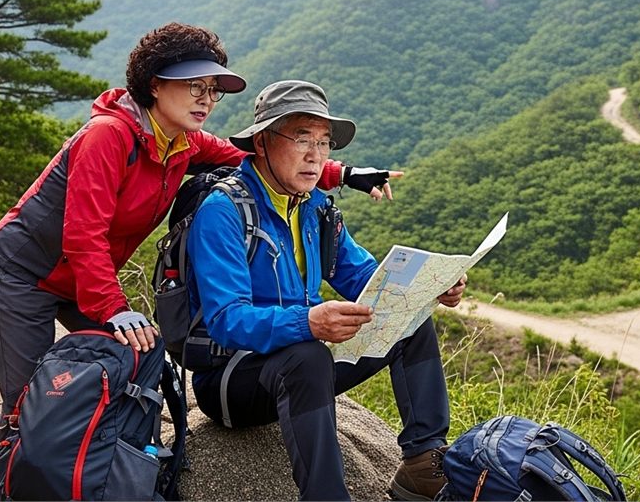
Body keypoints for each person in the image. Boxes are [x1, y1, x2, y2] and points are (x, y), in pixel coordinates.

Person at [0, 23, 399, 438]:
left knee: (135, 358)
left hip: (82, 278)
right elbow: (83, 235)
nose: (207, 99)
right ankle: (14, 471)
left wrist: (342, 173)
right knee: (26, 400)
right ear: (155, 84)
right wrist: (114, 308)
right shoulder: (107, 137)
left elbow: (259, 156)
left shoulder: (183, 141)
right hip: (25, 275)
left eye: (213, 89)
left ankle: (107, 460)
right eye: (194, 85)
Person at [186, 80, 466, 501]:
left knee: (409, 318)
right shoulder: (224, 211)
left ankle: (422, 462)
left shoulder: (315, 207)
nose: (315, 156)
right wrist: (309, 321)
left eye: (324, 142)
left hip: (299, 365)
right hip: (230, 380)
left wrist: (429, 287)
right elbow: (226, 321)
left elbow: (368, 281)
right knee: (307, 355)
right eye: (301, 139)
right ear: (261, 143)